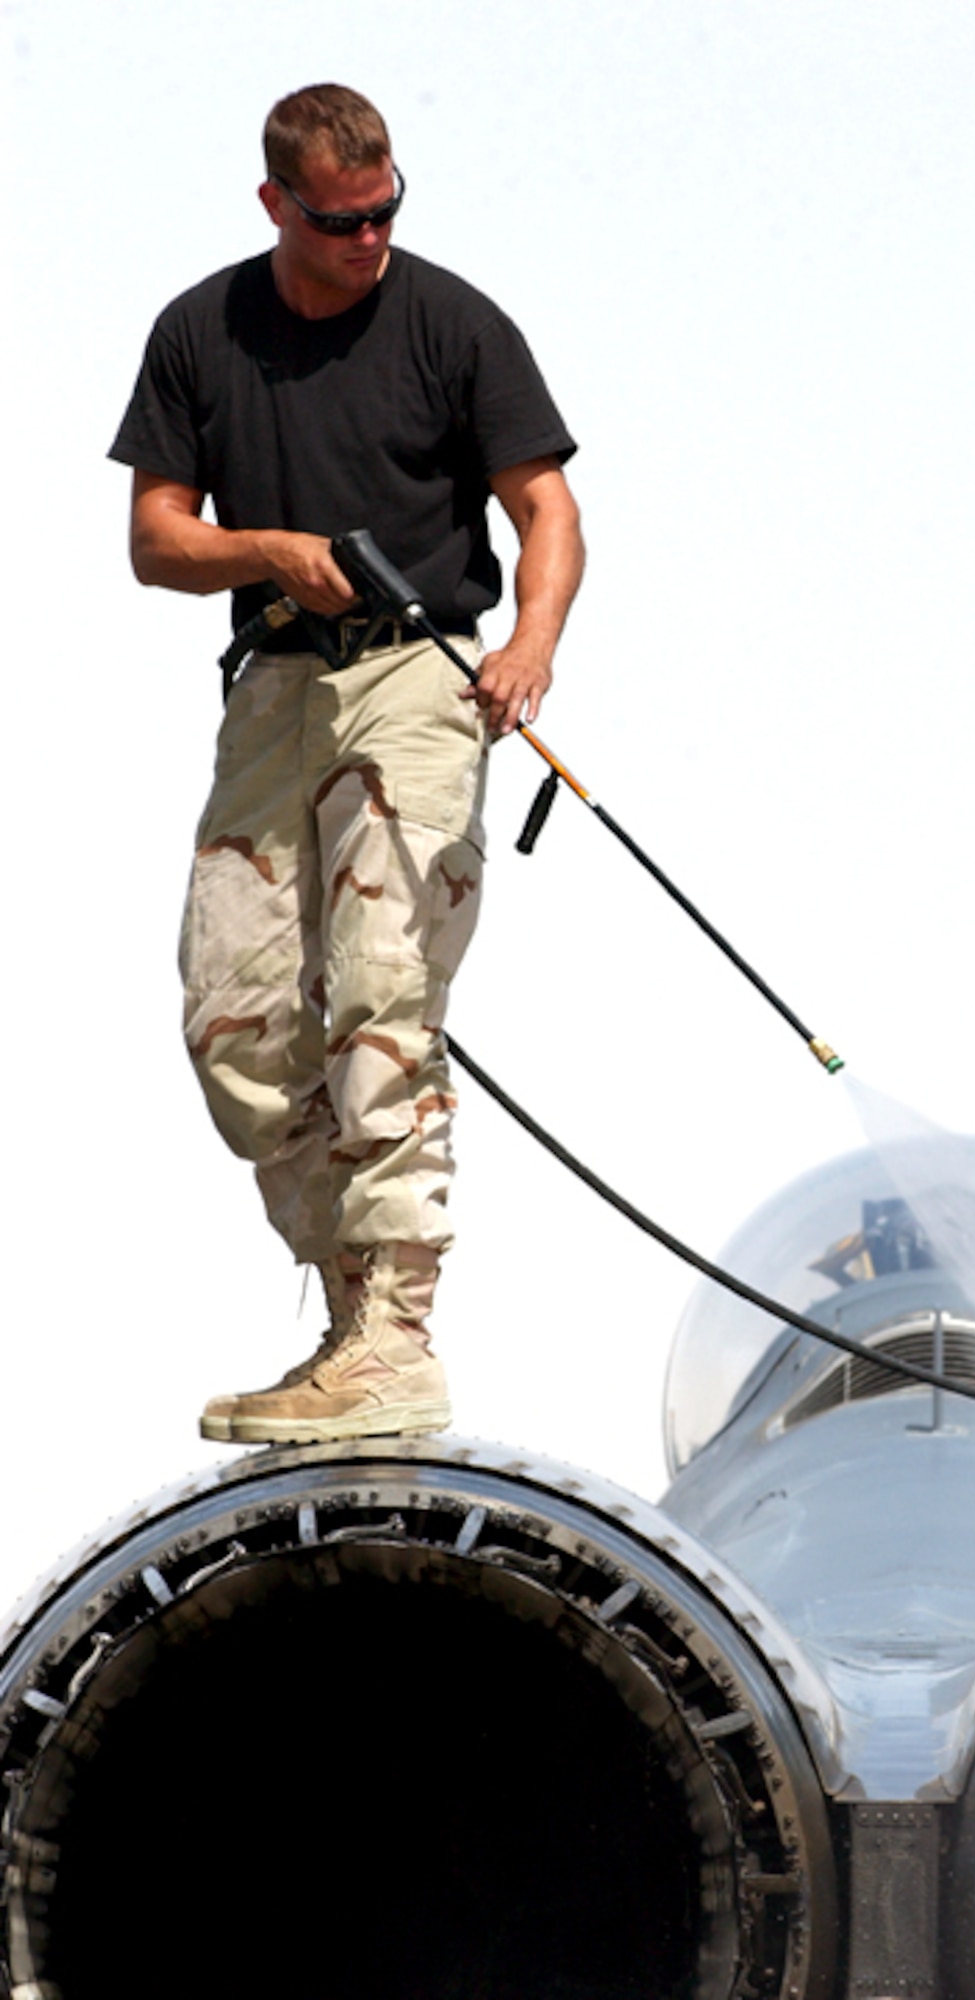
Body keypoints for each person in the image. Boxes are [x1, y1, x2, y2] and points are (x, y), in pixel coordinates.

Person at [110, 83, 583, 1447]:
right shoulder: (203, 331)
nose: (369, 238)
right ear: (278, 205)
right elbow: (153, 539)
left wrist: (529, 643)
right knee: (236, 1022)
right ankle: (344, 1315)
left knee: (381, 989)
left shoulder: (449, 322)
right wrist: (267, 551)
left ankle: (396, 1333)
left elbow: (545, 505)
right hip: (272, 690)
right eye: (340, 220)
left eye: (385, 213)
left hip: (415, 678)